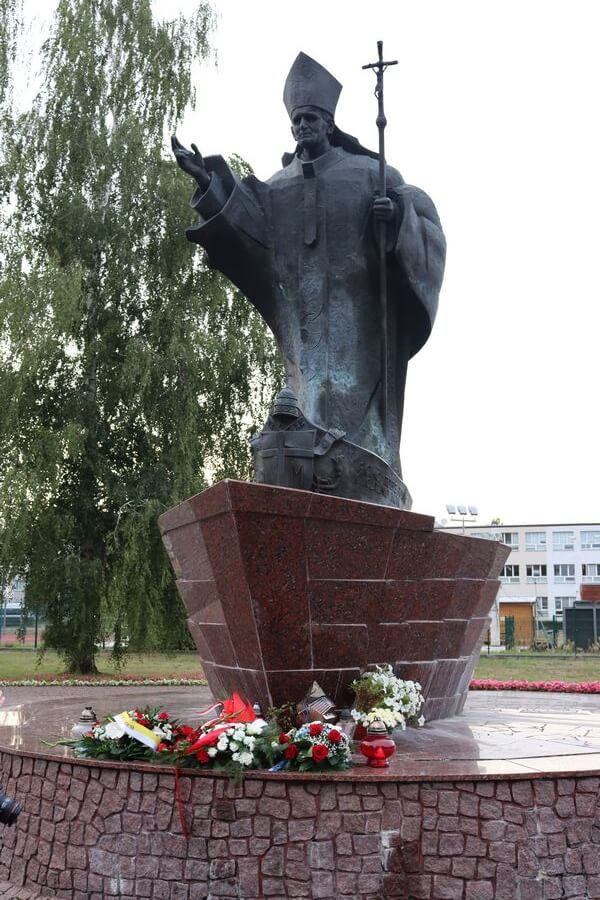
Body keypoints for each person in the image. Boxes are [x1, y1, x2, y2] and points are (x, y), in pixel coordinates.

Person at [172, 52, 445, 508]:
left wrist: (395, 218)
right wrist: (210, 184)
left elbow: (426, 229)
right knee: (308, 400)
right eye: (297, 120)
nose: (302, 126)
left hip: (359, 322)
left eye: (311, 119)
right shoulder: (278, 187)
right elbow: (246, 227)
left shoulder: (371, 174)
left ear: (329, 123)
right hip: (303, 325)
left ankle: (369, 486)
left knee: (356, 415)